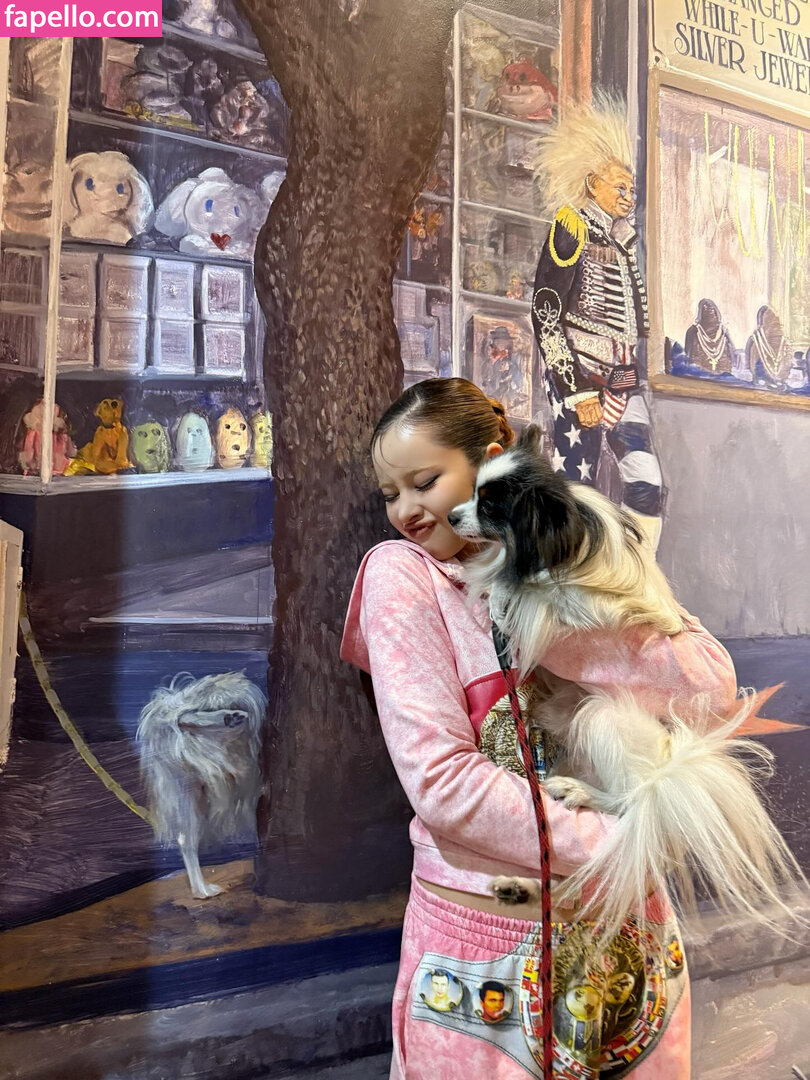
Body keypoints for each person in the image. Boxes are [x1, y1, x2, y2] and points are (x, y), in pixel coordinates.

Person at [340, 377, 738, 1079]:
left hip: (627, 934)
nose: (405, 510)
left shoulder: (580, 546)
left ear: (492, 463)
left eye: (424, 483)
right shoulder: (403, 577)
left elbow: (711, 690)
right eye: (389, 494)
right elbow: (442, 784)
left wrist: (550, 616)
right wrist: (625, 845)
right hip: (488, 940)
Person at [530, 98, 663, 553]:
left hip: (623, 377)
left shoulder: (623, 239)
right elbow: (546, 312)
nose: (629, 196)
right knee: (576, 486)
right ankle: (571, 573)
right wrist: (575, 390)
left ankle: (639, 570)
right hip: (581, 375)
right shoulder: (571, 226)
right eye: (620, 187)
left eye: (632, 189)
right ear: (593, 184)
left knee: (646, 481)